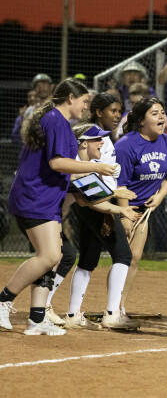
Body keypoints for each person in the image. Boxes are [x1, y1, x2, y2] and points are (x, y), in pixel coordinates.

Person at [0, 78, 115, 335]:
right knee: (50, 256)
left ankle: (37, 319)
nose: (87, 107)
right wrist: (96, 167)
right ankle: (3, 300)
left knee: (54, 257)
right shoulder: (55, 120)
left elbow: (62, 169)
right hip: (35, 197)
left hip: (45, 197)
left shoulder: (59, 121)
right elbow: (57, 163)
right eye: (84, 101)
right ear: (70, 98)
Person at [63, 123, 140, 330]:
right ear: (83, 143)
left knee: (83, 259)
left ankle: (71, 314)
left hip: (56, 216)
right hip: (43, 217)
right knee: (122, 255)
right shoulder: (76, 165)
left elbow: (90, 198)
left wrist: (116, 208)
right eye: (97, 139)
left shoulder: (87, 164)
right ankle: (112, 314)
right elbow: (87, 200)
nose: (102, 142)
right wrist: (117, 204)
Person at [115, 97, 167, 315]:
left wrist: (160, 196)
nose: (161, 116)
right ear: (141, 121)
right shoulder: (126, 145)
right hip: (121, 207)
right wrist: (124, 215)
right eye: (155, 113)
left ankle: (119, 306)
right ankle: (110, 307)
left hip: (143, 210)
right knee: (120, 258)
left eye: (162, 112)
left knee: (133, 258)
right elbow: (120, 183)